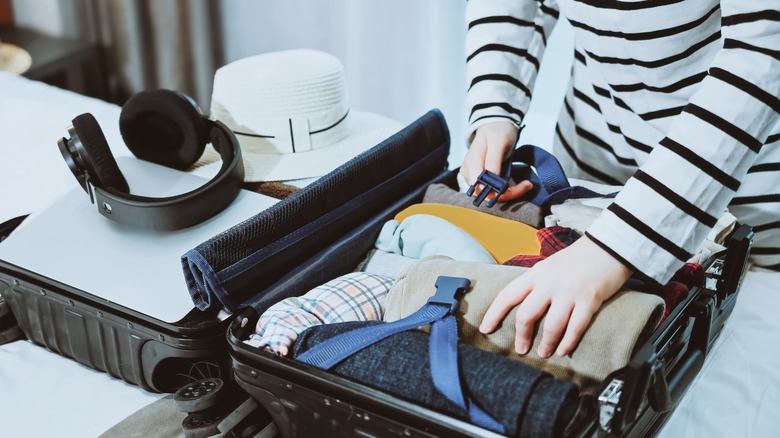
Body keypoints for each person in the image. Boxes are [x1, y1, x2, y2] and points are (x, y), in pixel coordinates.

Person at [461, 1, 779, 359]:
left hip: (743, 198)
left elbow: (763, 47)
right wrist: (495, 108)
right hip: (592, 157)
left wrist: (619, 245)